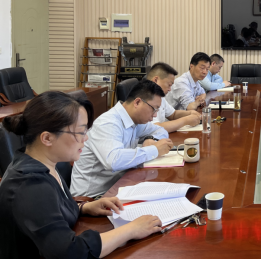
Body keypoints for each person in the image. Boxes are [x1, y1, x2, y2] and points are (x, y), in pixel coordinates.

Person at [0, 91, 162, 259]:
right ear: (47, 138)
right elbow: (70, 252)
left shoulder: (44, 163)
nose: (86, 139)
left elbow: (50, 211)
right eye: (80, 132)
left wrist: (84, 207)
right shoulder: (30, 185)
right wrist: (131, 230)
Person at [71, 81, 173, 198]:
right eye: (154, 109)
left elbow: (160, 130)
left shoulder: (135, 120)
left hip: (119, 185)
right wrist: (154, 150)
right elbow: (114, 161)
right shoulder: (108, 123)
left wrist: (150, 139)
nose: (155, 115)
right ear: (137, 102)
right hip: (93, 198)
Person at [146, 62, 202, 133]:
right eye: (169, 85)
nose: (170, 89)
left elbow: (173, 114)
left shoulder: (159, 96)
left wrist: (190, 113)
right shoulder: (145, 97)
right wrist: (186, 120)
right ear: (156, 80)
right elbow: (155, 128)